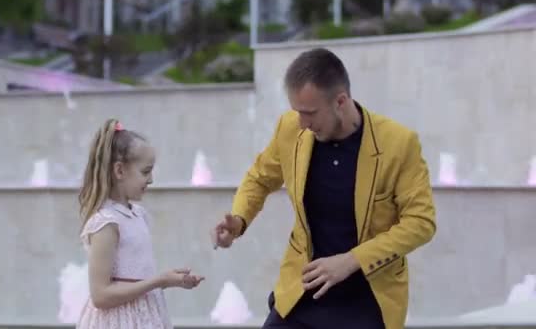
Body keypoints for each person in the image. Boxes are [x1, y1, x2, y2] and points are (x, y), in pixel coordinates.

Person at [211, 48, 436, 329]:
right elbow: (260, 177)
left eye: (310, 113)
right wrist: (239, 219)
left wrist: (351, 260)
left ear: (340, 101)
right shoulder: (291, 127)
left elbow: (421, 223)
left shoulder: (399, 143)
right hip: (301, 293)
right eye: (297, 112)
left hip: (367, 299)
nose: (303, 123)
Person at [76, 119, 204, 329]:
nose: (151, 179)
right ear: (119, 171)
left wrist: (171, 281)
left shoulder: (138, 215)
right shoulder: (107, 223)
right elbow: (100, 296)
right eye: (145, 172)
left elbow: (134, 277)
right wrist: (158, 281)